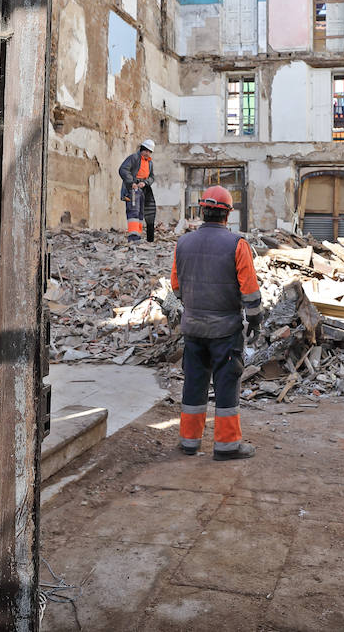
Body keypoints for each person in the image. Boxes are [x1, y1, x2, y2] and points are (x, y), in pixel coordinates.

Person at [169, 185, 261, 460]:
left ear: (202, 211)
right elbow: (249, 289)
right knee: (226, 384)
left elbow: (176, 287)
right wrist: (255, 318)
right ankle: (227, 445)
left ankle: (189, 442)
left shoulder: (183, 243)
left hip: (193, 328)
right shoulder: (237, 244)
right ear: (227, 215)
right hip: (225, 330)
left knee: (194, 383)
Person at [118, 139, 157, 243]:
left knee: (142, 213)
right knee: (133, 211)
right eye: (146, 151)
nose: (148, 153)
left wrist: (145, 183)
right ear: (142, 149)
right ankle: (133, 237)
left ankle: (139, 235)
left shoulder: (150, 163)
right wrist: (132, 183)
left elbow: (152, 177)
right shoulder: (134, 158)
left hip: (143, 190)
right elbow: (123, 169)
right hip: (133, 189)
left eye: (150, 152)